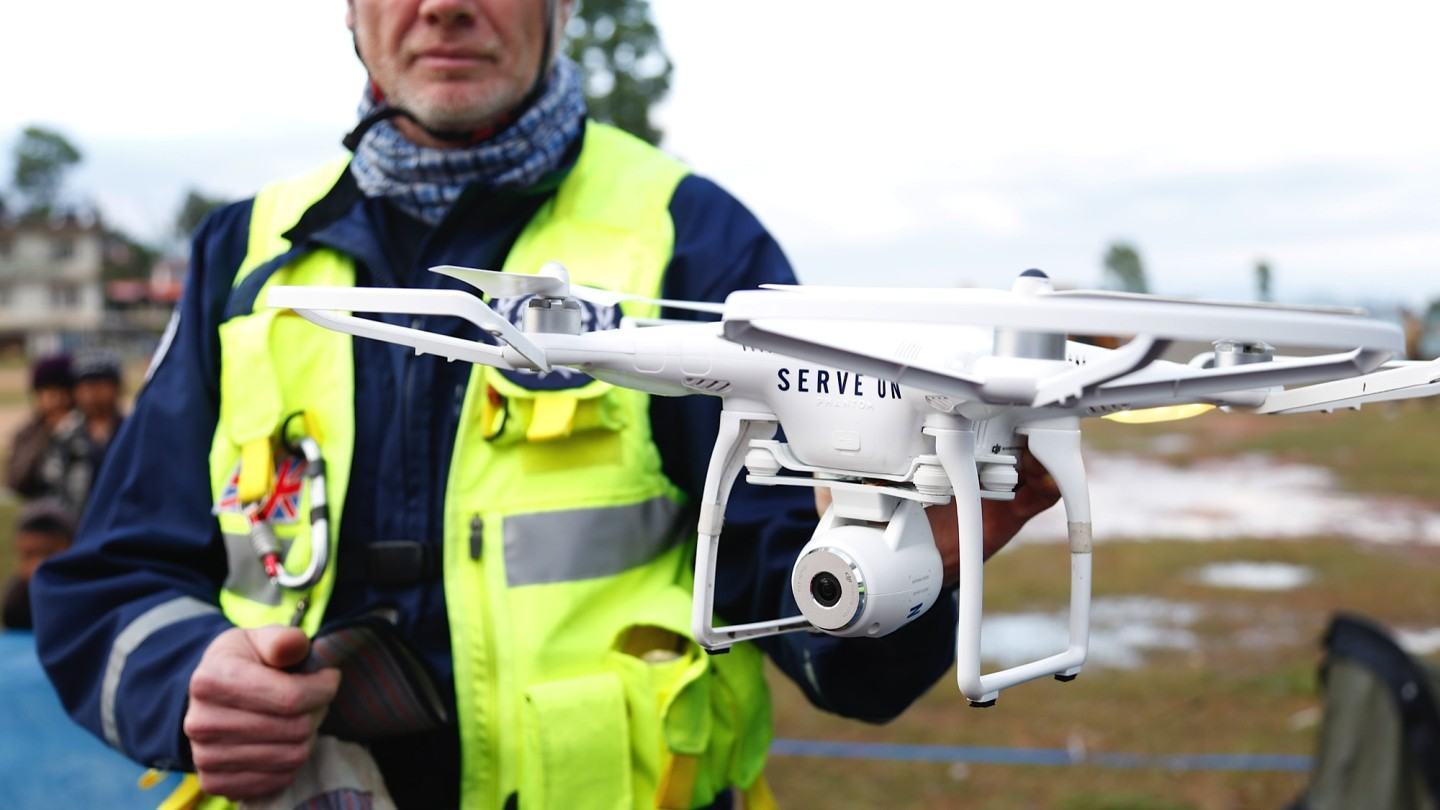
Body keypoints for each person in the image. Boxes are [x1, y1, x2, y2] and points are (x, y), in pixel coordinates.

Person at [32, 1, 1059, 807]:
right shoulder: (245, 259)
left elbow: (812, 633)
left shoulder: (693, 243)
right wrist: (188, 676)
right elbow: (106, 584)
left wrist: (921, 554)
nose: (443, 6)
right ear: (346, 8)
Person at [34, 352, 127, 514]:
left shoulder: (132, 432)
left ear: (116, 387)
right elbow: (52, 484)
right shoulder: (65, 434)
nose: (91, 393)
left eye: (100, 384)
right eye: (85, 386)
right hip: (76, 522)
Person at [4, 355, 76, 500]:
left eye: (63, 392)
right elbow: (16, 481)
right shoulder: (28, 434)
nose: (57, 400)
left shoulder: (86, 429)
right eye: (49, 393)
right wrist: (48, 434)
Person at [2, 500, 75, 631]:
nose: (37, 566)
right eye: (28, 555)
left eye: (49, 554)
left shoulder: (88, 596)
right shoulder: (16, 601)